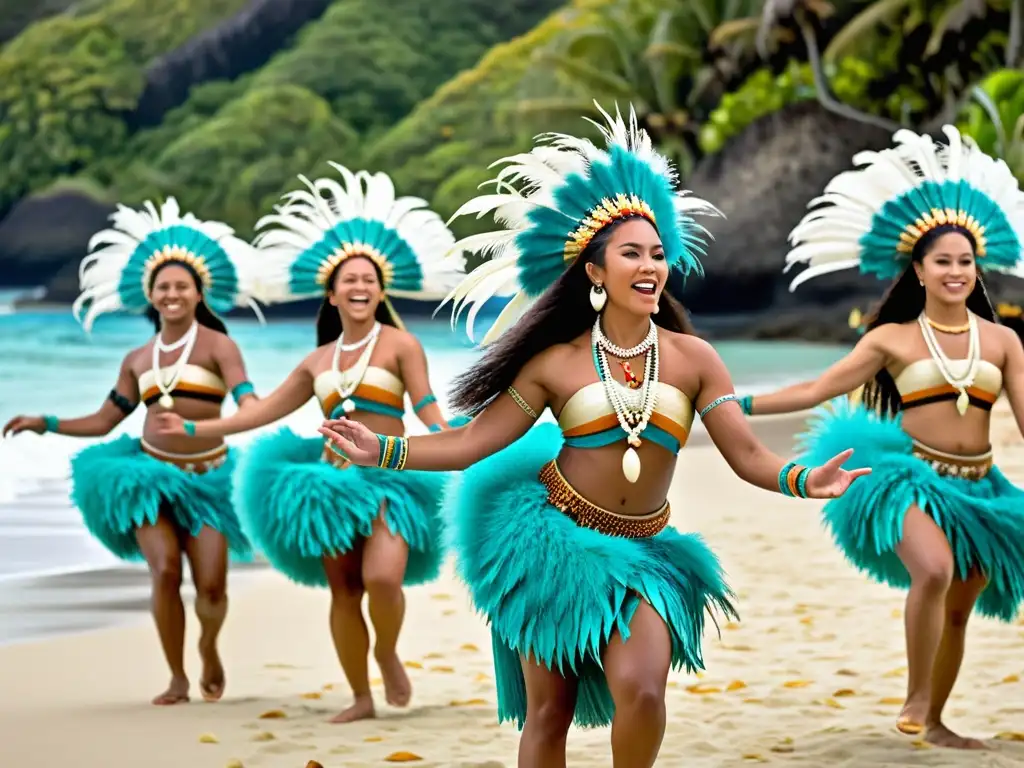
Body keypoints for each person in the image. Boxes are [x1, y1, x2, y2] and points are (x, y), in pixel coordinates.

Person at [318, 104, 870, 767]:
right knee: (547, 713)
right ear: (595, 272)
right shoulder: (557, 361)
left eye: (658, 254)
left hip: (647, 550)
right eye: (631, 253)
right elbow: (473, 442)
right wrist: (384, 449)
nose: (649, 265)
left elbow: (746, 452)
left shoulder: (695, 360)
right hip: (550, 544)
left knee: (642, 690)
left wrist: (805, 479)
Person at [738, 125, 1024, 749]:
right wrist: (734, 403)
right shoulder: (889, 340)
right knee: (933, 570)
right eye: (942, 262)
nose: (955, 271)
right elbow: (816, 389)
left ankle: (940, 719)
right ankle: (917, 695)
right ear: (918, 271)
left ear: (978, 270)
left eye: (964, 262)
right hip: (908, 478)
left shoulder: (1003, 342)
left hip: (982, 490)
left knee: (958, 607)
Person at [153, 164, 466, 723]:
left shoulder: (401, 344)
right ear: (332, 290)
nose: (361, 286)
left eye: (369, 279)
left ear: (382, 287)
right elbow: (264, 411)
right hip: (328, 483)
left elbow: (423, 404)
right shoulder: (317, 361)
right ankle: (361, 697)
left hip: (391, 476)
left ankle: (387, 650)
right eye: (350, 280)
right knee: (343, 590)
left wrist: (449, 435)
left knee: (382, 577)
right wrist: (196, 430)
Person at [2, 198, 264, 705]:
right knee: (165, 571)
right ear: (150, 294)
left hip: (209, 478)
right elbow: (105, 418)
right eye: (163, 287)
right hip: (147, 475)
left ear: (197, 292)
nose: (172, 294)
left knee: (211, 587)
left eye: (181, 286)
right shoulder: (138, 358)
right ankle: (177, 678)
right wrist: (47, 422)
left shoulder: (217, 346)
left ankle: (208, 646)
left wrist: (258, 408)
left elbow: (246, 399)